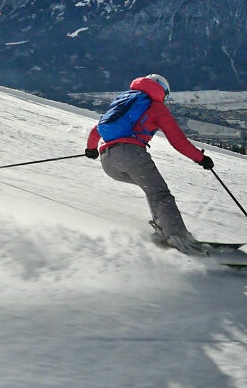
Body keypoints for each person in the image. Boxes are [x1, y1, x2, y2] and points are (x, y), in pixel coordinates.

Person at [84, 74, 215, 256]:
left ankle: (164, 231)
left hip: (108, 160)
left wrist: (91, 148)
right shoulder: (155, 107)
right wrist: (200, 158)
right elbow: (177, 140)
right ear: (163, 90)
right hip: (131, 155)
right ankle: (179, 239)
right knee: (160, 193)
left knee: (152, 190)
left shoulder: (124, 100)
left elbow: (98, 127)